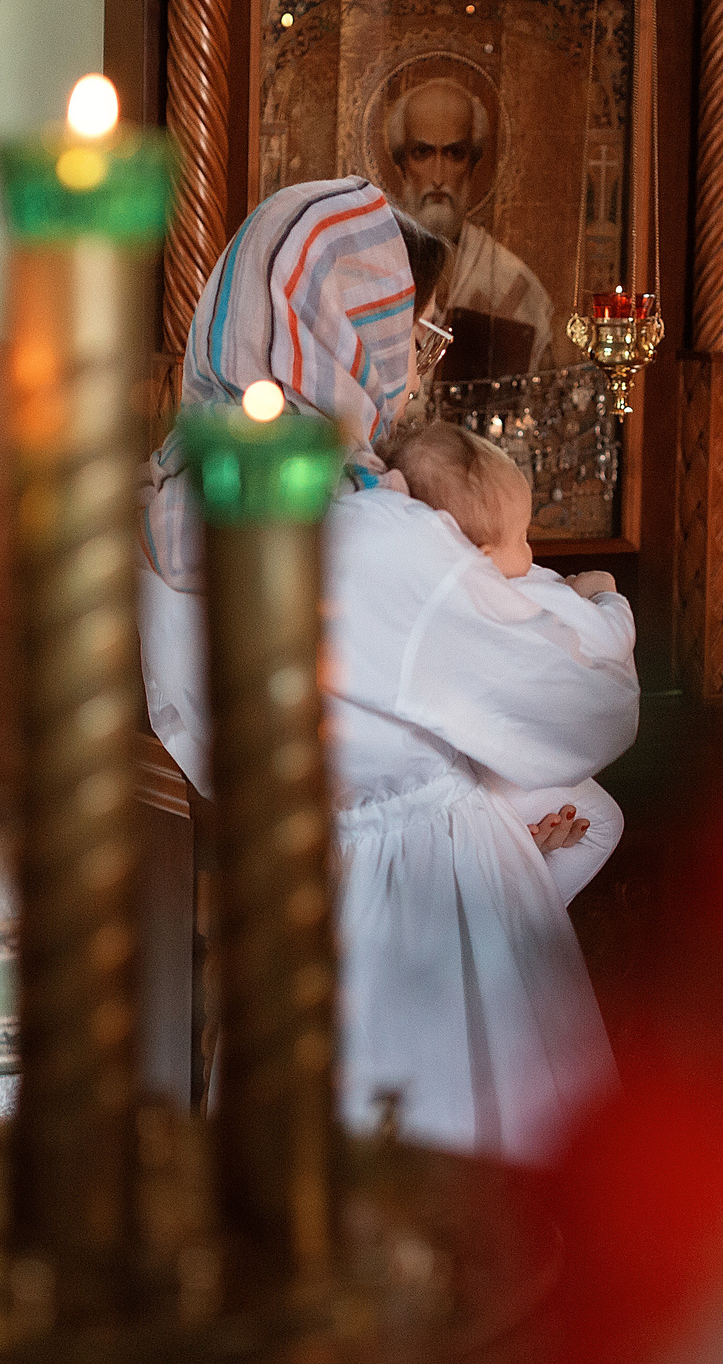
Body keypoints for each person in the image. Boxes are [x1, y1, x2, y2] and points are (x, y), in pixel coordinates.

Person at [138, 176, 638, 1163]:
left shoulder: (168, 515)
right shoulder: (372, 537)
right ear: (350, 337)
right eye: (407, 334)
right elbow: (587, 710)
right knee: (469, 1242)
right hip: (433, 929)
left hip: (291, 913)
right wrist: (592, 609)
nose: (411, 367)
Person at [383, 418, 630, 906]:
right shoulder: (506, 594)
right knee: (602, 822)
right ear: (481, 554)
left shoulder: (412, 595)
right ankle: (526, 921)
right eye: (521, 536)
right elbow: (607, 646)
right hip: (495, 781)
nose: (531, 551)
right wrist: (603, 599)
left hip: (449, 778)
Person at [383, 75, 555, 372]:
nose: (438, 176)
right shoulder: (370, 267)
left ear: (473, 164)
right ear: (402, 165)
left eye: (454, 154)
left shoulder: (512, 283)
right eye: (422, 153)